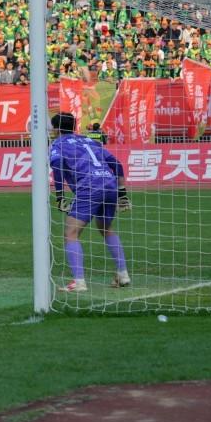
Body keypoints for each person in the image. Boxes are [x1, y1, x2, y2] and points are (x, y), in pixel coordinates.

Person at [50, 112, 132, 293]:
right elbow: (117, 164)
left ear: (56, 129)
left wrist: (60, 196)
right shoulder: (89, 140)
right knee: (106, 229)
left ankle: (79, 282)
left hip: (89, 186)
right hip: (109, 184)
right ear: (74, 126)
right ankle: (123, 274)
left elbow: (57, 164)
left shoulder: (58, 144)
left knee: (71, 233)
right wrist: (122, 194)